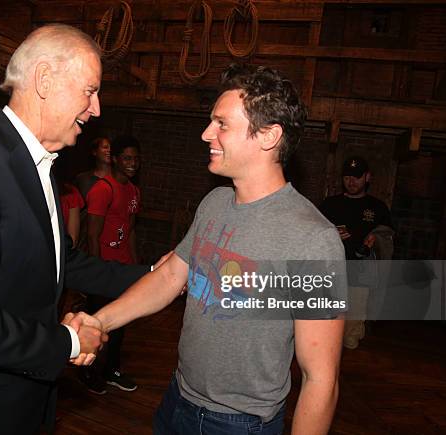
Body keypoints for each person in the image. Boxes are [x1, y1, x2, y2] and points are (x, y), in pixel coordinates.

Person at [0, 24, 151, 435]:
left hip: (20, 395)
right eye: (90, 90)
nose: (96, 109)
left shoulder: (43, 166)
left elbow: (58, 261)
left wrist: (157, 274)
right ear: (44, 80)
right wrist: (68, 343)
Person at [88, 64, 347, 434]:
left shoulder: (313, 239)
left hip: (239, 424)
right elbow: (169, 276)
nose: (207, 133)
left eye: (222, 124)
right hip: (177, 399)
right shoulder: (214, 202)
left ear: (269, 136)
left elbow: (321, 378)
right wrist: (100, 321)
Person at [80, 135, 141, 394]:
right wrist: (96, 274)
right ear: (114, 159)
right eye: (127, 158)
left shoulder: (134, 191)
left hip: (123, 268)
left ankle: (111, 369)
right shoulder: (103, 189)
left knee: (120, 322)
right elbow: (92, 234)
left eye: (136, 159)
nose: (133, 163)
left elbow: (130, 230)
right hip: (103, 269)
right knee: (95, 324)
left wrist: (136, 267)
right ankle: (87, 370)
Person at [320, 156, 393, 348]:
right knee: (327, 318)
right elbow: (312, 233)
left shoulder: (378, 208)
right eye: (347, 177)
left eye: (357, 177)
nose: (351, 182)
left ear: (367, 177)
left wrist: (375, 239)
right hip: (331, 271)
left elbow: (388, 236)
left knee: (353, 323)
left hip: (361, 271)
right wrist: (331, 234)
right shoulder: (329, 204)